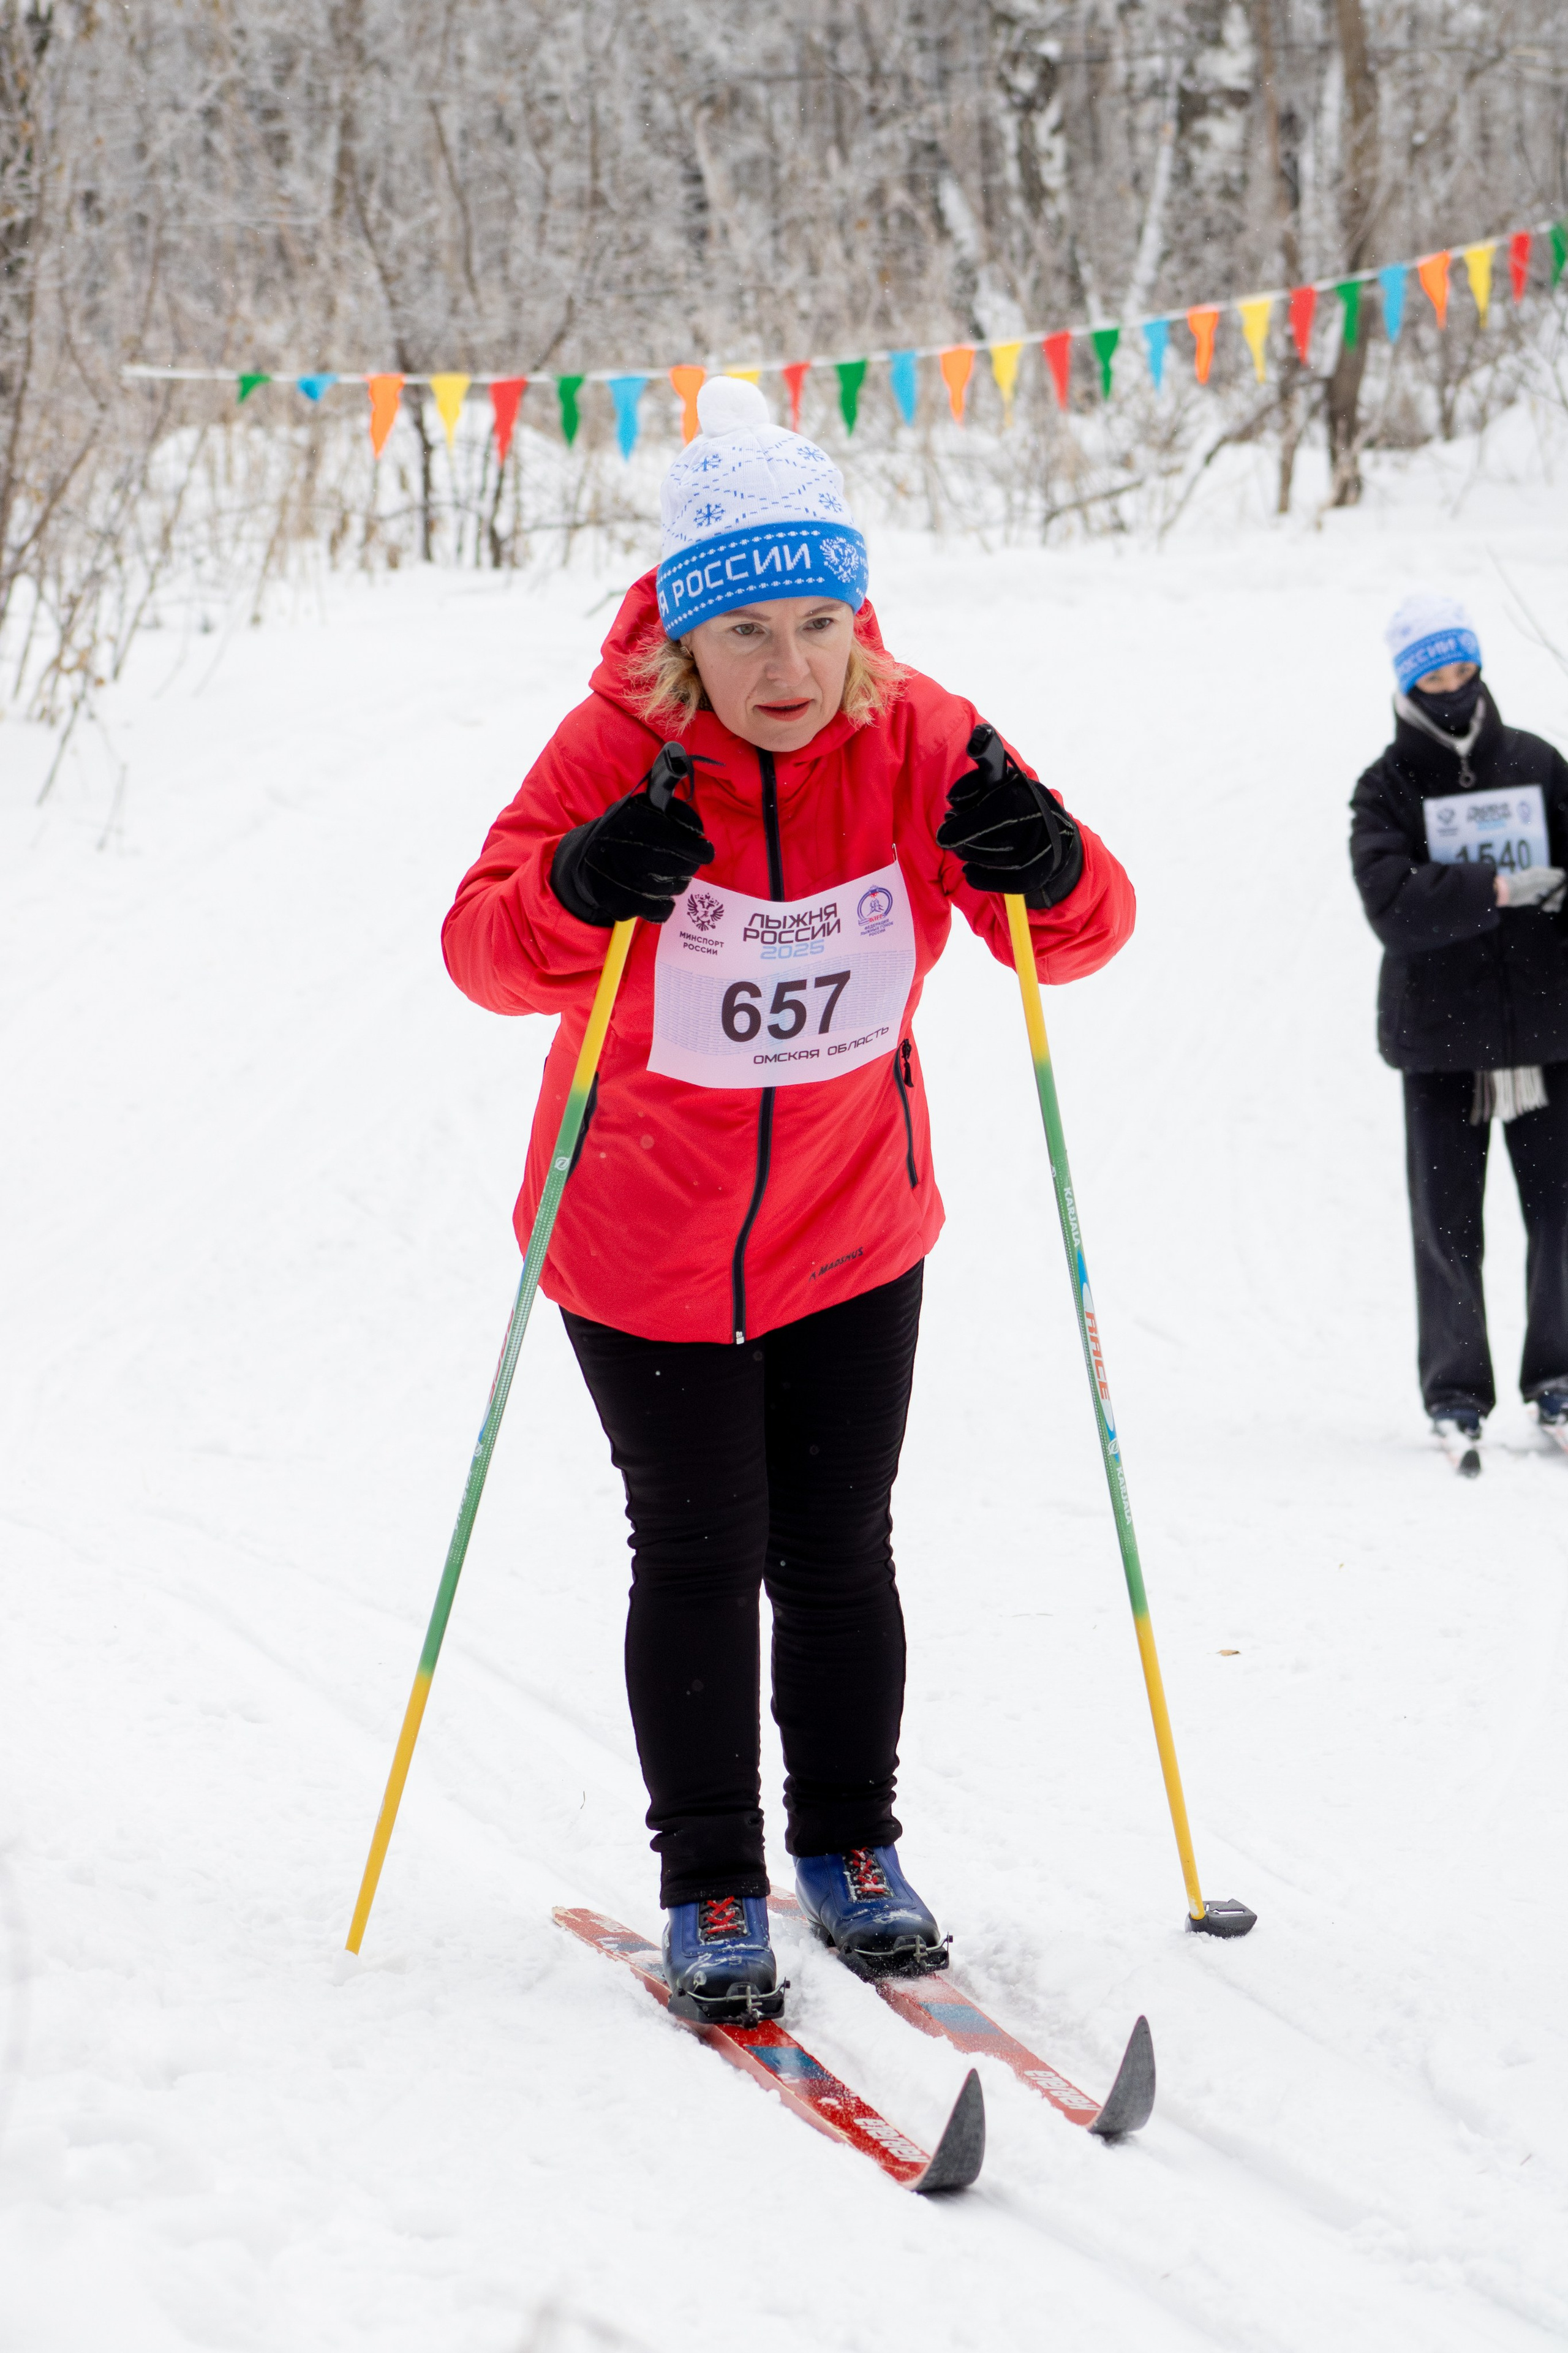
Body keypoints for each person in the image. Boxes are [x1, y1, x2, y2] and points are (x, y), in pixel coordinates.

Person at [442, 376, 1134, 2017]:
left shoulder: (920, 733)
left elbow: (1086, 929)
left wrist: (1046, 863)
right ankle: (711, 1878)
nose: (788, 667)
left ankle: (852, 1846)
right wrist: (577, 885)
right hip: (638, 1235)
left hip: (849, 1219)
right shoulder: (616, 748)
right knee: (698, 1548)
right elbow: (481, 948)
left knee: (835, 1547)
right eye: (746, 630)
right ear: (685, 634)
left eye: (819, 622)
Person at [1350, 591, 1568, 1468]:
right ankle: (1455, 1392)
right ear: (1409, 682)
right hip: (1441, 1040)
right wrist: (1498, 888)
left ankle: (1559, 1378)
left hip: (1548, 1030)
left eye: (1463, 667)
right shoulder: (1385, 787)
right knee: (1447, 1224)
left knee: (1561, 1213)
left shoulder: (1538, 762)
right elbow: (1391, 904)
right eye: (1433, 675)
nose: (1452, 686)